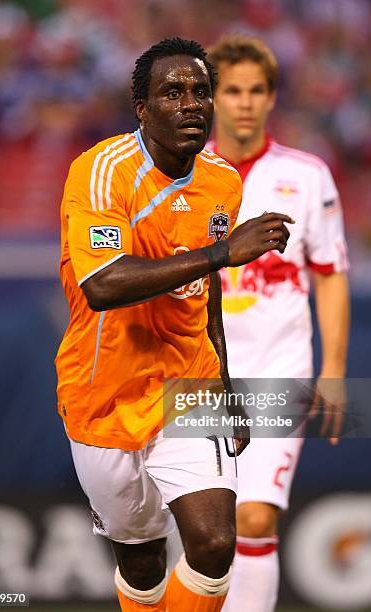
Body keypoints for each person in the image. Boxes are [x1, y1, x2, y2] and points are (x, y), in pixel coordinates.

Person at [55, 37, 293, 612]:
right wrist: (221, 253)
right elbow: (103, 284)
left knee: (214, 544)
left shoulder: (222, 182)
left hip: (190, 382)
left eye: (200, 92)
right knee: (140, 557)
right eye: (173, 92)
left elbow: (206, 295)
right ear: (143, 108)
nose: (192, 104)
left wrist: (227, 386)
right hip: (104, 390)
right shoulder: (101, 172)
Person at [207, 35, 350, 612]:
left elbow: (331, 274)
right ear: (212, 98)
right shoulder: (184, 176)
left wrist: (334, 370)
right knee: (200, 530)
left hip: (277, 371)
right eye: (232, 90)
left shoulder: (308, 175)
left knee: (254, 515)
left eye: (256, 90)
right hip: (200, 377)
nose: (244, 102)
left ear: (271, 97)